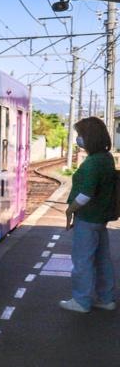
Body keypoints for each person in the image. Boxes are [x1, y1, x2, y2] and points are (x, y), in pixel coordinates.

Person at [60, 116, 116, 313]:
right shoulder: (106, 158)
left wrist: (70, 209)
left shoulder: (93, 163)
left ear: (90, 137)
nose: (78, 139)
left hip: (88, 218)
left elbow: (86, 194)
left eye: (80, 135)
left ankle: (81, 301)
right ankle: (106, 298)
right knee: (102, 260)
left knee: (82, 261)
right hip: (100, 218)